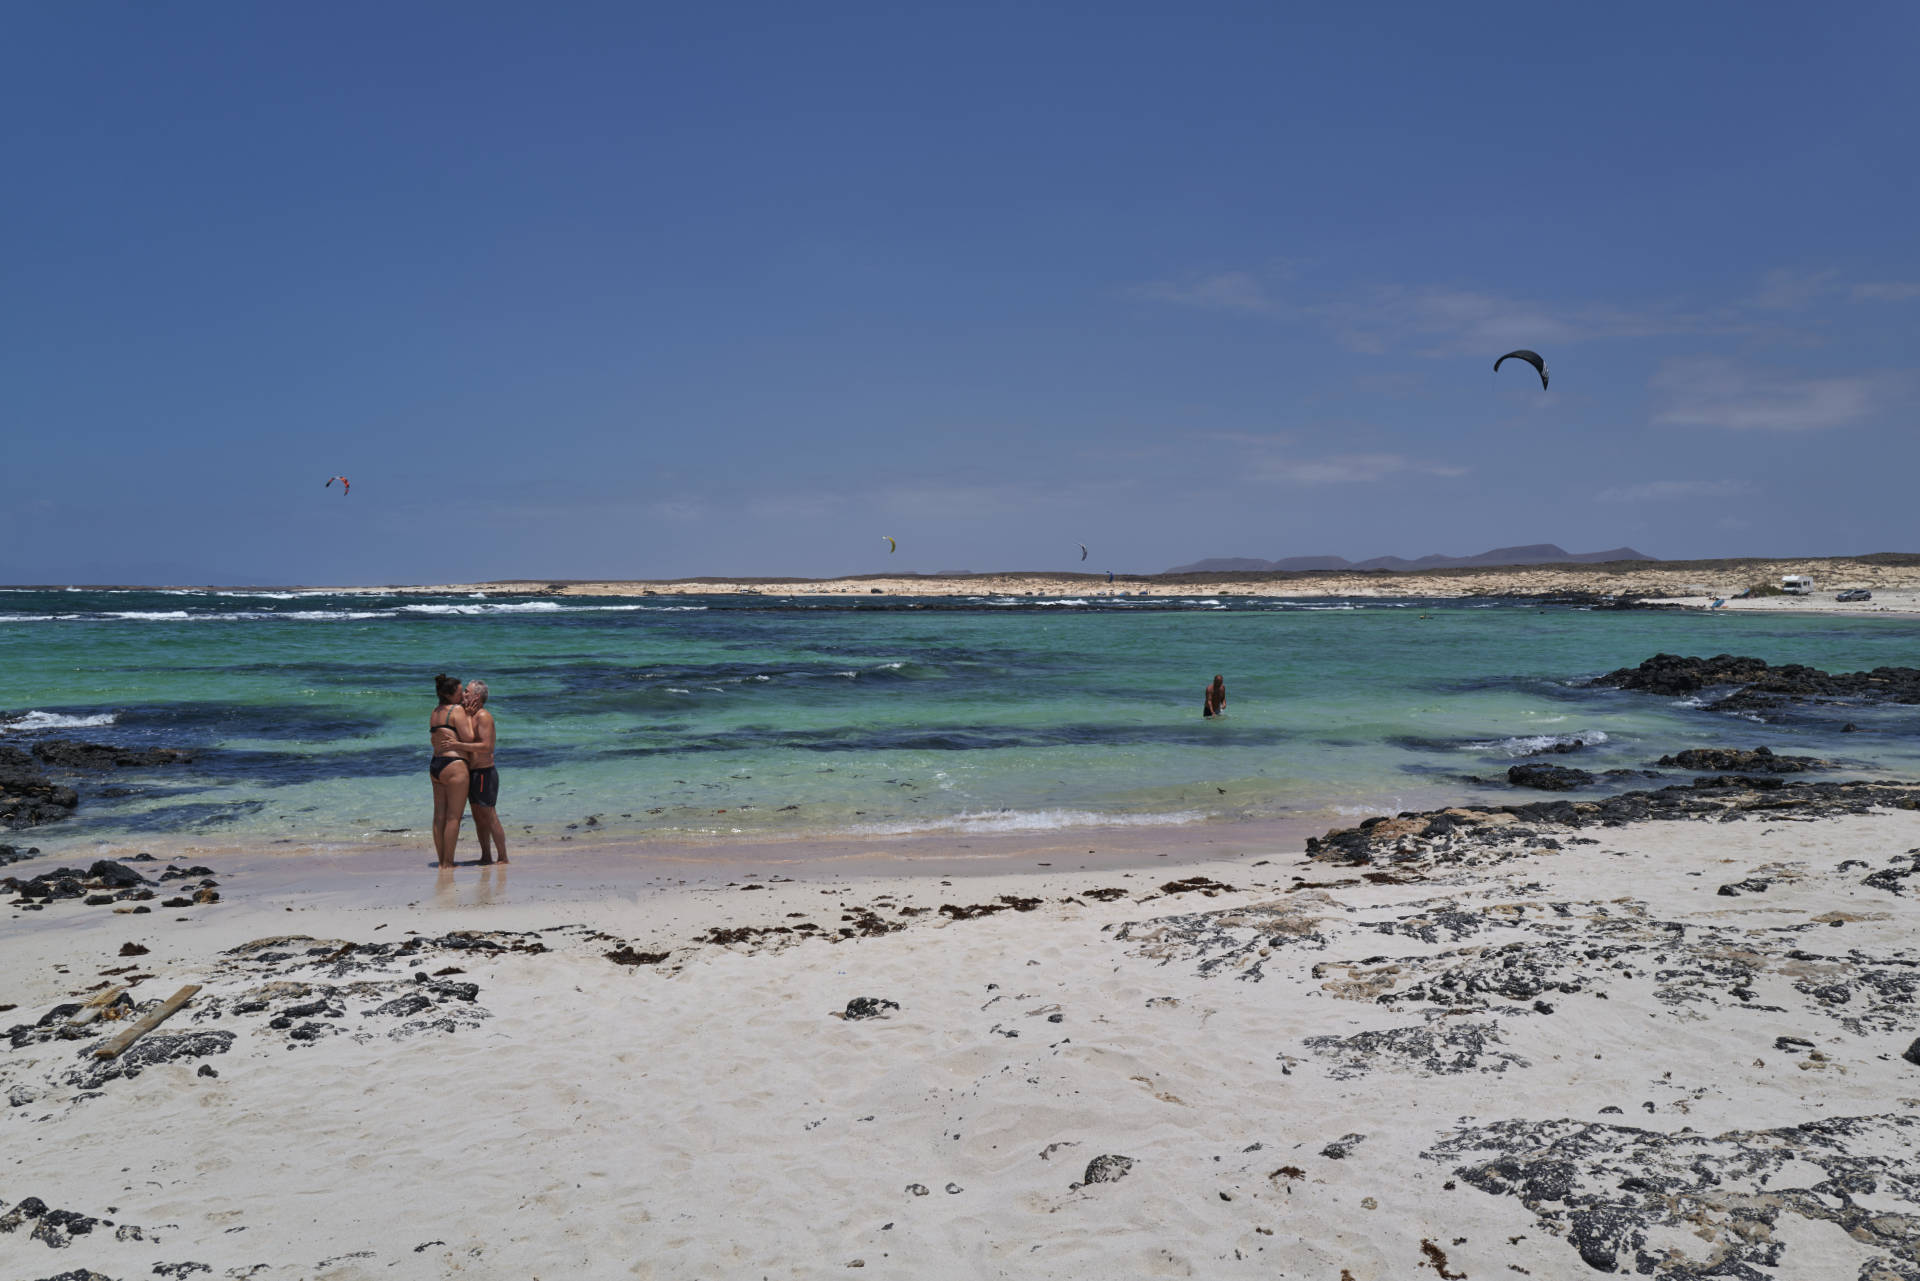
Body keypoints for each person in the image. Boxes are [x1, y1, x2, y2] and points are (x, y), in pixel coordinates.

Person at [428, 673, 473, 869]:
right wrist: (469, 715)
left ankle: (441, 861)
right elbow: (469, 738)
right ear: (450, 695)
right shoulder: (457, 711)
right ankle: (448, 862)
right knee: (454, 816)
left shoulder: (436, 711)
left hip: (436, 764)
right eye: (461, 691)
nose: (463, 694)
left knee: (439, 815)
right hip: (455, 765)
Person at [461, 679, 507, 865]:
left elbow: (486, 747)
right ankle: (486, 855)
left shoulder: (483, 716)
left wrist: (457, 745)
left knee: (489, 816)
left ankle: (503, 857)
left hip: (484, 773)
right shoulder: (470, 715)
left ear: (476, 696)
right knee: (478, 818)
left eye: (466, 691)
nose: (463, 694)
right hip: (472, 773)